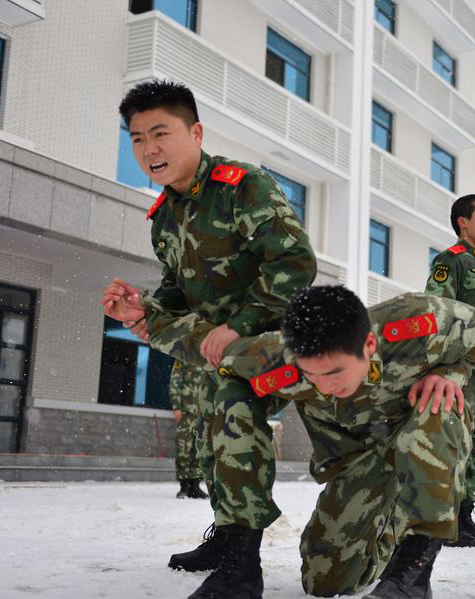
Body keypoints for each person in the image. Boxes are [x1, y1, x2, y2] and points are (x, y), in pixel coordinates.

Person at [101, 79, 317, 599]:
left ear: (196, 132)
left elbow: (296, 264)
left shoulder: (244, 187)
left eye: (160, 133)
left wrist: (238, 325)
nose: (148, 149)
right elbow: (178, 294)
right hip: (213, 350)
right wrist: (143, 308)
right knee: (210, 439)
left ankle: (244, 565)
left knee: (234, 415)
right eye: (135, 138)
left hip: (270, 340)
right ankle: (225, 536)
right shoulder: (163, 218)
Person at [142, 285, 475, 598]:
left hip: (417, 436)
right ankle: (395, 528)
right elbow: (207, 347)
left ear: (368, 346)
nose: (325, 387)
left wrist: (448, 375)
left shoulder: (415, 325)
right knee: (325, 581)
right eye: (313, 375)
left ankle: (412, 573)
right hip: (359, 463)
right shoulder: (278, 358)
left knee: (440, 406)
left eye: (336, 372)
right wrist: (145, 314)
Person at [425, 194, 475, 548]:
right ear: (463, 222)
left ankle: (463, 516)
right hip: (461, 372)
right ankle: (446, 520)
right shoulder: (450, 261)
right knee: (456, 444)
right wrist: (444, 368)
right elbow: (437, 314)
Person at [169, 360, 211, 499]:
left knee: (200, 450)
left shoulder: (209, 356)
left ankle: (195, 485)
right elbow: (175, 379)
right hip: (187, 411)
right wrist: (176, 405)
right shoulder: (185, 354)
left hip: (204, 412)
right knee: (184, 448)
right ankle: (184, 486)